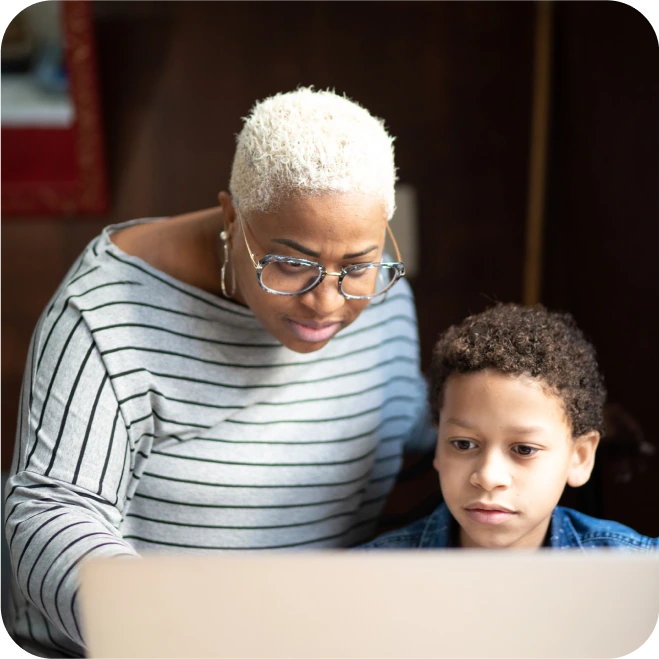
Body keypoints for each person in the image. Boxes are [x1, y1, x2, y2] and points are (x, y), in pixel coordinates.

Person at [5, 87, 435, 657]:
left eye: (355, 266)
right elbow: (51, 513)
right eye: (290, 264)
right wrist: (168, 630)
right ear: (232, 215)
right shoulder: (106, 313)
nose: (328, 302)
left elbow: (409, 437)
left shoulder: (382, 295)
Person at [361, 303, 659, 551]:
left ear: (579, 457)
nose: (488, 477)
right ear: (439, 442)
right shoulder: (368, 577)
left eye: (524, 449)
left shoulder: (636, 568)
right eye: (463, 444)